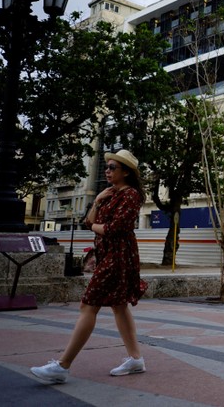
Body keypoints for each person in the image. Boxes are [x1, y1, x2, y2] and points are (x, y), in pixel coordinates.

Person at [31, 150, 148, 383]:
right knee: (119, 306)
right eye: (107, 167)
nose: (107, 171)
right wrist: (97, 201)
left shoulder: (131, 195)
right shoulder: (109, 194)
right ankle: (135, 359)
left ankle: (63, 366)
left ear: (126, 172)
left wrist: (95, 225)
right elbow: (89, 221)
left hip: (119, 256)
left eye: (112, 167)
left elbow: (113, 228)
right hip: (107, 255)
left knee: (88, 305)